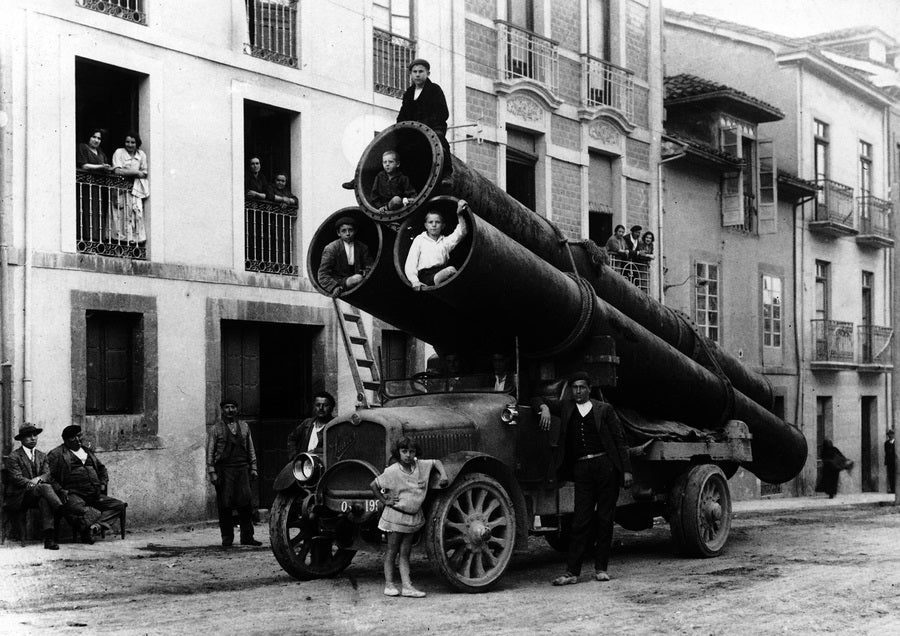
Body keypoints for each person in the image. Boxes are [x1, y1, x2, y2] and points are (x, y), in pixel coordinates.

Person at [551, 372, 633, 586]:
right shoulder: (567, 407)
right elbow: (537, 400)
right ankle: (572, 572)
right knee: (581, 519)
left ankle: (601, 568)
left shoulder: (604, 409)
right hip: (581, 468)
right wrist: (541, 408)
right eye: (574, 388)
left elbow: (619, 440)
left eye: (581, 387)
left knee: (605, 519)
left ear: (589, 388)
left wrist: (626, 470)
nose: (578, 391)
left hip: (605, 466)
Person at [343, 57, 452, 190]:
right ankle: (362, 177)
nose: (417, 74)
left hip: (432, 129)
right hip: (412, 132)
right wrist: (403, 129)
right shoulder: (409, 93)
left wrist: (424, 126)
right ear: (411, 74)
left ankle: (447, 174)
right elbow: (402, 116)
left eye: (421, 71)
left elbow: (442, 113)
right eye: (414, 71)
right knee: (387, 146)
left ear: (428, 73)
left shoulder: (435, 89)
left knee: (440, 140)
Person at [370, 435, 447, 598]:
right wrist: (386, 500)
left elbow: (436, 462)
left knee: (405, 553)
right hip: (395, 517)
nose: (408, 455)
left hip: (412, 518)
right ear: (398, 452)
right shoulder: (392, 471)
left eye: (411, 451)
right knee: (392, 551)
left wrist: (444, 475)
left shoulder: (421, 466)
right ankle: (389, 585)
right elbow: (374, 485)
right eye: (404, 451)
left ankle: (407, 586)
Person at [47, 425, 127, 545]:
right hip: (73, 494)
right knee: (82, 511)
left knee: (118, 505)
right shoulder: (56, 454)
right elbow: (49, 476)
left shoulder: (87, 451)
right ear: (65, 440)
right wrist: (60, 490)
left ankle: (95, 527)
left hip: (94, 494)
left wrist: (103, 483)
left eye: (79, 436)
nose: (78, 440)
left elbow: (102, 469)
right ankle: (87, 532)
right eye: (73, 438)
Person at [206, 398, 262, 547]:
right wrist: (212, 472)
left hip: (242, 469)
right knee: (225, 505)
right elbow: (210, 452)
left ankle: (247, 537)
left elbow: (250, 448)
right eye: (226, 407)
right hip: (224, 471)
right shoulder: (215, 429)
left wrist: (254, 467)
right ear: (222, 410)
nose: (230, 410)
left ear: (236, 409)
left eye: (233, 407)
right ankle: (227, 537)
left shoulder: (244, 427)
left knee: (246, 505)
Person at [6, 423, 63, 549]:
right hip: (20, 496)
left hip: (37, 494)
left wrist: (37, 479)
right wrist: (33, 483)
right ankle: (60, 507)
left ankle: (49, 539)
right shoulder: (14, 457)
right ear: (21, 439)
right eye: (28, 436)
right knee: (45, 488)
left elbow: (47, 474)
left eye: (35, 435)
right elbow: (17, 479)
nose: (33, 438)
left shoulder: (42, 455)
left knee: (45, 500)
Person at [404, 199, 468, 291]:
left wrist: (460, 215)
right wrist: (414, 281)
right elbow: (411, 262)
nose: (434, 225)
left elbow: (462, 233)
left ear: (443, 226)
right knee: (451, 270)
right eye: (430, 222)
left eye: (437, 222)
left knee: (451, 274)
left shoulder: (445, 242)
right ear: (426, 225)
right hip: (426, 276)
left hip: (441, 272)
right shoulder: (420, 240)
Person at [317, 216, 374, 296]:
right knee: (357, 278)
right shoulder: (331, 248)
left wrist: (365, 273)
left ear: (355, 231)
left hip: (360, 281)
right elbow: (322, 274)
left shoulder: (362, 247)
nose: (348, 234)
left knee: (359, 278)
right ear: (338, 233)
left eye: (350, 230)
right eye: (344, 231)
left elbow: (370, 267)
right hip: (339, 281)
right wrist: (334, 287)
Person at [111, 132, 149, 245]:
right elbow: (117, 171)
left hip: (135, 189)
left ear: (137, 143)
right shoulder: (119, 152)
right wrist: (136, 172)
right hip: (120, 189)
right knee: (120, 218)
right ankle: (120, 245)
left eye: (133, 142)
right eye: (127, 142)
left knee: (135, 215)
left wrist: (129, 172)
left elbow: (145, 172)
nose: (130, 144)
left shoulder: (141, 154)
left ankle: (134, 244)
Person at [286, 391, 336, 456]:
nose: (321, 408)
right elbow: (292, 438)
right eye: (318, 405)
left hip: (323, 463)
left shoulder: (334, 426)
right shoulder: (307, 423)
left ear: (331, 408)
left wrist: (316, 451)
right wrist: (294, 456)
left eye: (325, 405)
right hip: (304, 462)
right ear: (314, 407)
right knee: (288, 466)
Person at [885, 430, 896, 495]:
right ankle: (892, 489)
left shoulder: (897, 442)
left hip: (895, 462)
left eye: (891, 434)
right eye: (889, 435)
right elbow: (886, 452)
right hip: (890, 462)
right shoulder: (886, 443)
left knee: (896, 475)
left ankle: (896, 489)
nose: (890, 436)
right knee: (890, 475)